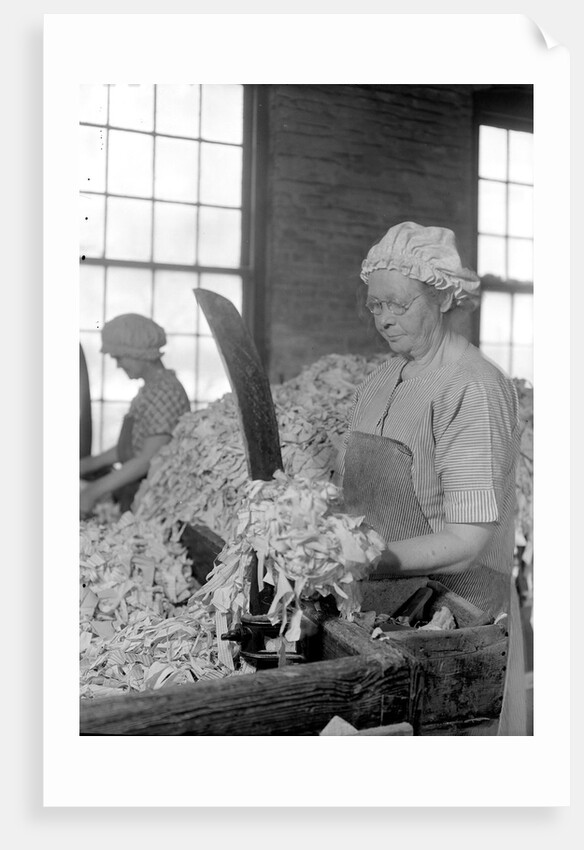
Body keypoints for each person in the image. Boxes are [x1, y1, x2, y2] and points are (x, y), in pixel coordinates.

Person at [340, 221, 525, 736]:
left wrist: (360, 559)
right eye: (376, 305)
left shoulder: (472, 387)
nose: (384, 319)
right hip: (385, 605)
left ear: (442, 298)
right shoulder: (382, 378)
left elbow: (467, 543)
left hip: (456, 619)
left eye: (399, 304)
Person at [79, 313, 191, 516]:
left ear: (138, 353)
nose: (118, 365)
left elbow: (148, 458)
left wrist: (92, 492)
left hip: (155, 500)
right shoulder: (152, 389)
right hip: (138, 491)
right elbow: (133, 445)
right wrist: (87, 465)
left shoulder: (165, 391)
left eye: (119, 357)